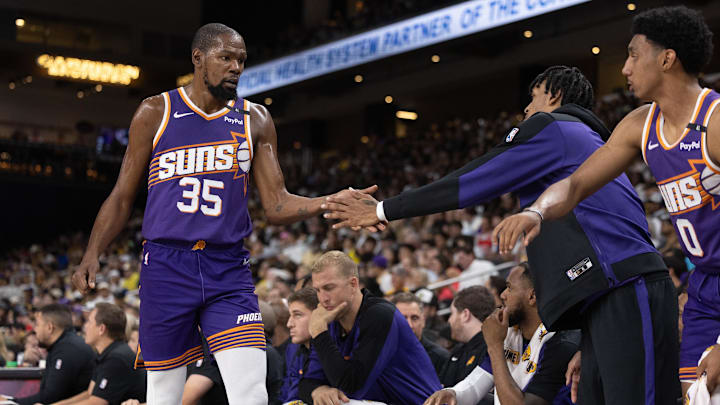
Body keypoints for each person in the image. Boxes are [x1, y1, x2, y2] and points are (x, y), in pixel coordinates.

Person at [323, 65, 679, 404]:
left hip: (625, 286)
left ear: (554, 96)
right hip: (608, 294)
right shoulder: (585, 141)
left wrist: (382, 209)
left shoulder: (552, 126)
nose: (526, 108)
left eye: (533, 96)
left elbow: (473, 180)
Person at [71, 22, 378, 405]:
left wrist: (328, 200)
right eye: (226, 57)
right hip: (166, 264)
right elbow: (121, 196)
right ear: (198, 59)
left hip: (227, 267)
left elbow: (278, 204)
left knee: (250, 389)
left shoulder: (255, 119)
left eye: (241, 60)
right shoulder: (155, 111)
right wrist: (92, 252)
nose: (236, 67)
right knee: (164, 393)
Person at [492, 5, 718, 399]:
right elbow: (576, 185)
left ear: (667, 58)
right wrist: (535, 211)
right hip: (703, 287)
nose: (626, 68)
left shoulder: (714, 123)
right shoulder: (639, 125)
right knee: (695, 395)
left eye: (633, 54)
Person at [424, 263, 580, 405]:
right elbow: (478, 382)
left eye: (509, 288)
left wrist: (494, 346)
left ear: (532, 296)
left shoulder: (561, 343)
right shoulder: (511, 333)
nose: (503, 295)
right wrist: (452, 393)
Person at [308, 251, 442, 404]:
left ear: (353, 284)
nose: (323, 298)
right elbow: (305, 382)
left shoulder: (379, 315)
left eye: (329, 288)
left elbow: (352, 387)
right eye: (318, 290)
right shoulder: (329, 319)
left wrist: (319, 333)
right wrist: (318, 390)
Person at [53, 303, 146, 405]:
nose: (85, 326)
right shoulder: (108, 353)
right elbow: (90, 394)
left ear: (101, 329)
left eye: (89, 322)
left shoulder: (116, 358)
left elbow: (96, 402)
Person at [7, 304, 96, 405]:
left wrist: (11, 402)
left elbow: (50, 398)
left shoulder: (68, 349)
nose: (34, 329)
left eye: (37, 324)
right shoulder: (63, 345)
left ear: (50, 327)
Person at [281, 287, 346, 405]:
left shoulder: (334, 347)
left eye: (298, 315)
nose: (289, 324)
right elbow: (290, 394)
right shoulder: (293, 349)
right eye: (290, 315)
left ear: (318, 315)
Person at [439, 286, 495, 389]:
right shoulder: (458, 350)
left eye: (452, 313)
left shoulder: (491, 350)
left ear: (465, 315)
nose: (449, 320)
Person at [390, 292, 449, 378]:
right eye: (402, 318)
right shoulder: (379, 356)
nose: (409, 325)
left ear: (423, 321)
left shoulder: (441, 358)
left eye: (414, 318)